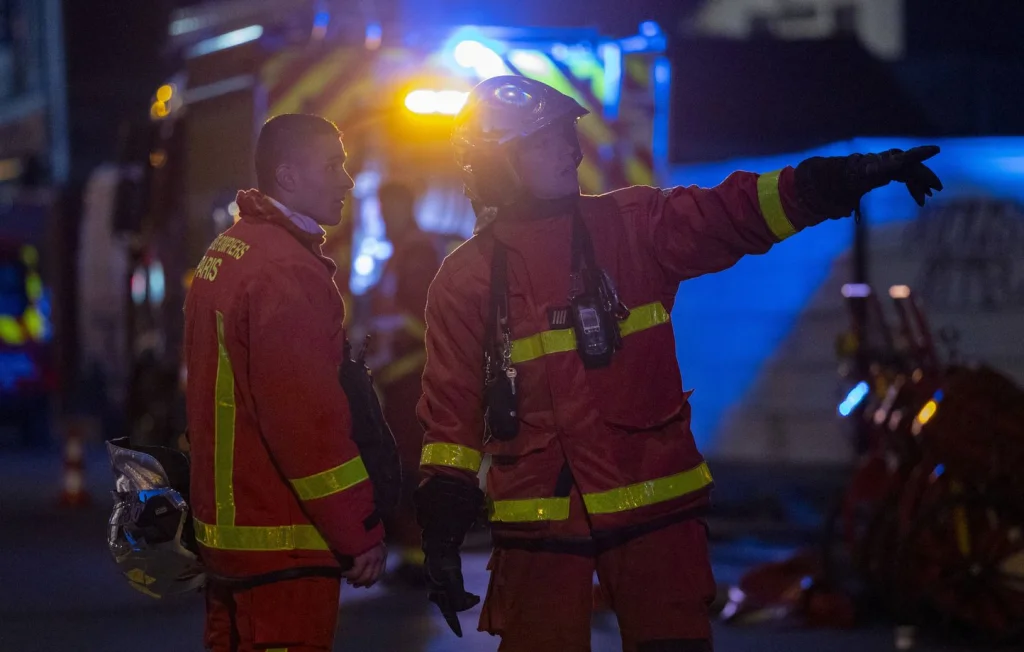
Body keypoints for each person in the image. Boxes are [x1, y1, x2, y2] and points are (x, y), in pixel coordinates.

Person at [413, 76, 943, 651]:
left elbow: (730, 212)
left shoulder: (633, 225)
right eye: (545, 141)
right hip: (541, 521)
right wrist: (442, 515)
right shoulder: (464, 280)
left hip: (654, 509)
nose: (572, 150)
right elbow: (452, 412)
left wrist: (831, 181)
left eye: (568, 135)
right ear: (498, 161)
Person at [184, 113, 387, 652]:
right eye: (333, 165)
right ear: (289, 176)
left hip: (230, 540)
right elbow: (307, 425)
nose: (347, 179)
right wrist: (358, 529)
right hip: (284, 543)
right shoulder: (286, 272)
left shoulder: (228, 251)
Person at [370, 181, 444, 585]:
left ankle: (420, 556)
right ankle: (410, 551)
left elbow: (420, 317)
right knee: (401, 465)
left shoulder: (416, 252)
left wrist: (389, 335)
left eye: (389, 208)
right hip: (396, 378)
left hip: (413, 378)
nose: (383, 217)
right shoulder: (401, 251)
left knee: (414, 467)